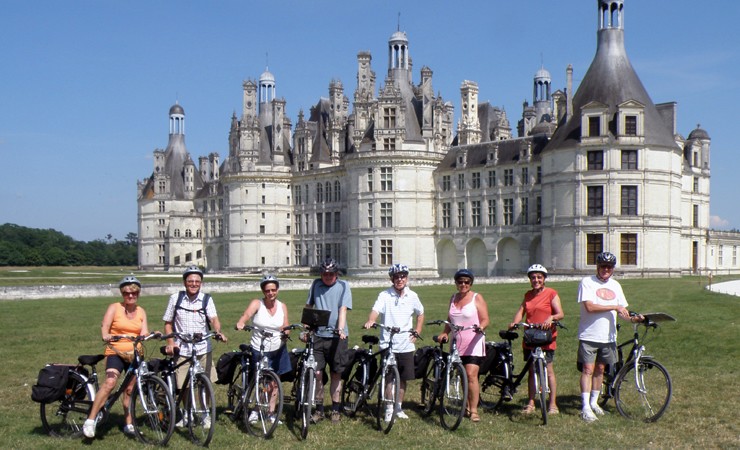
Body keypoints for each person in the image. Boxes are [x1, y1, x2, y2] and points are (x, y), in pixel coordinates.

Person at [577, 252, 643, 423]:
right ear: (597, 267)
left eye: (609, 267)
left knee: (600, 370)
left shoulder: (616, 286)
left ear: (613, 269)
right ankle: (585, 407)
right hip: (589, 334)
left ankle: (594, 403)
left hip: (608, 337)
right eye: (603, 266)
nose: (606, 269)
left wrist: (633, 319)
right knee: (588, 370)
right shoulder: (587, 283)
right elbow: (590, 307)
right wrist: (614, 306)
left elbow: (622, 312)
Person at [83, 276, 150, 439]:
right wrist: (106, 335)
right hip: (116, 352)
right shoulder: (114, 307)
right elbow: (105, 327)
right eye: (127, 293)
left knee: (129, 390)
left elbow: (144, 332)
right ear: (122, 293)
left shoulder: (141, 311)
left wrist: (149, 335)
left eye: (134, 293)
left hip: (135, 354)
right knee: (110, 382)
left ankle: (128, 424)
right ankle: (90, 420)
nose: (130, 296)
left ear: (138, 293)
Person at [162, 265, 227, 420]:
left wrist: (217, 332)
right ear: (185, 282)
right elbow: (168, 322)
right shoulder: (175, 298)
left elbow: (214, 319)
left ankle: (205, 413)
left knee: (206, 383)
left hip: (203, 347)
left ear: (201, 283)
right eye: (190, 281)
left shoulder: (206, 299)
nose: (194, 284)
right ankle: (188, 413)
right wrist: (171, 343)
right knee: (183, 384)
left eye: (197, 281)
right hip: (183, 348)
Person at [363, 263, 424, 421]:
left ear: (407, 278)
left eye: (402, 276)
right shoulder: (385, 295)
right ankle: (389, 408)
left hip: (406, 343)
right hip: (388, 344)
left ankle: (398, 406)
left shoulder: (413, 296)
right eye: (396, 277)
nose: (400, 279)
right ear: (392, 279)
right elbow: (376, 310)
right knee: (389, 377)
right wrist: (371, 320)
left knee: (403, 378)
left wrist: (417, 330)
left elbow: (420, 313)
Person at [509, 264, 564, 415]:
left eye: (539, 277)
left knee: (549, 371)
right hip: (530, 338)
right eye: (533, 277)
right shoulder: (528, 295)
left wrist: (551, 318)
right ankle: (531, 403)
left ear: (544, 279)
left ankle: (552, 404)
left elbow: (560, 313)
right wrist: (515, 322)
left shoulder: (551, 293)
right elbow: (521, 311)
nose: (536, 280)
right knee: (532, 371)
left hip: (547, 338)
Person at [235, 274, 291, 424]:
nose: (271, 293)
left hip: (278, 348)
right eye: (267, 290)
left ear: (277, 290)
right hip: (260, 347)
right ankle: (257, 409)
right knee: (264, 382)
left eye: (273, 290)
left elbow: (285, 324)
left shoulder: (282, 306)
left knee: (275, 383)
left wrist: (286, 332)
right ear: (263, 291)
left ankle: (271, 413)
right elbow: (246, 315)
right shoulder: (257, 304)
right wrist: (241, 322)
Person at [437, 268, 489, 422]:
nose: (463, 284)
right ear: (456, 283)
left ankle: (473, 411)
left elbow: (486, 319)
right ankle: (466, 405)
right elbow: (450, 319)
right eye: (460, 282)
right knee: (462, 375)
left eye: (467, 282)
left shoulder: (476, 298)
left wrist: (481, 327)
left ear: (471, 283)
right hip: (457, 343)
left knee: (472, 375)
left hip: (473, 341)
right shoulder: (453, 298)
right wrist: (445, 332)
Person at [305, 257, 352, 424]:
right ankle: (319, 410)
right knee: (317, 374)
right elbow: (309, 307)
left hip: (337, 337)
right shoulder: (316, 284)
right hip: (318, 335)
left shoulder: (343, 285)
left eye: (330, 274)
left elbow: (343, 309)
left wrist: (340, 329)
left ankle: (335, 409)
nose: (327, 277)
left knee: (335, 374)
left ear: (336, 273)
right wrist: (306, 328)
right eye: (325, 274)